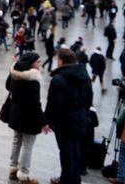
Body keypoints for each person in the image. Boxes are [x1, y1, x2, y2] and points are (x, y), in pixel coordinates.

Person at [45, 48, 93, 184]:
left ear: (61, 60)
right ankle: (75, 178)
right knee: (76, 148)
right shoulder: (85, 76)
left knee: (66, 151)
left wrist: (48, 120)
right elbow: (89, 100)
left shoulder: (59, 79)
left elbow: (53, 105)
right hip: (80, 117)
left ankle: (66, 179)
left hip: (64, 120)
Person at [5, 52, 50, 184]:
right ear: (31, 63)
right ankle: (24, 175)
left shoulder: (14, 72)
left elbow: (8, 86)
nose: (40, 64)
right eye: (38, 62)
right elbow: (35, 104)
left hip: (15, 113)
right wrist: (43, 122)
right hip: (29, 117)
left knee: (16, 140)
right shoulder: (33, 79)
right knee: (27, 146)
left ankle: (13, 169)